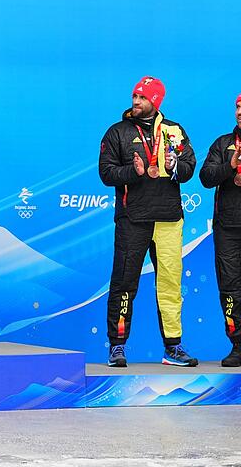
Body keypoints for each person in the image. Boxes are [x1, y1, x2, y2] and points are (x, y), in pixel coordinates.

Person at [99, 76, 198, 367]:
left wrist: (174, 166)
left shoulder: (174, 131)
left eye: (142, 98)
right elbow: (106, 174)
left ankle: (173, 348)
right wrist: (134, 171)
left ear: (155, 101)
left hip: (168, 218)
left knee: (170, 285)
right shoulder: (117, 132)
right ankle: (117, 346)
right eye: (134, 96)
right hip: (133, 219)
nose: (136, 101)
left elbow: (190, 167)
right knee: (124, 283)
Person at [199, 93, 241, 366]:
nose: (240, 112)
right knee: (229, 287)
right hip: (228, 227)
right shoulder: (223, 143)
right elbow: (205, 177)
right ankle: (238, 344)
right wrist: (231, 166)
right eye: (238, 107)